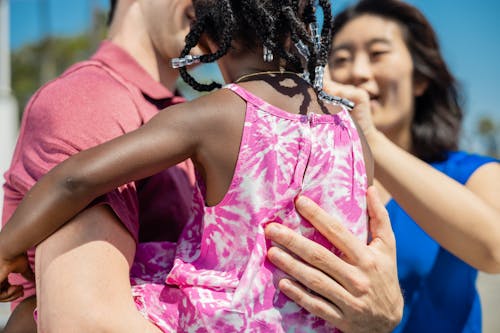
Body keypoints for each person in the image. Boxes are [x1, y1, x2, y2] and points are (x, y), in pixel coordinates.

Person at [1, 0, 403, 332]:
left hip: (222, 319)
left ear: (210, 33)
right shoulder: (349, 131)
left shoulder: (208, 117)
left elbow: (74, 181)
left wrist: (5, 248)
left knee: (25, 319)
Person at [325, 0, 500, 332]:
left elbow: (493, 249)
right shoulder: (318, 180)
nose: (358, 72)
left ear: (420, 80)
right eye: (341, 59)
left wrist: (371, 140)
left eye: (377, 54)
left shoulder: (472, 173)